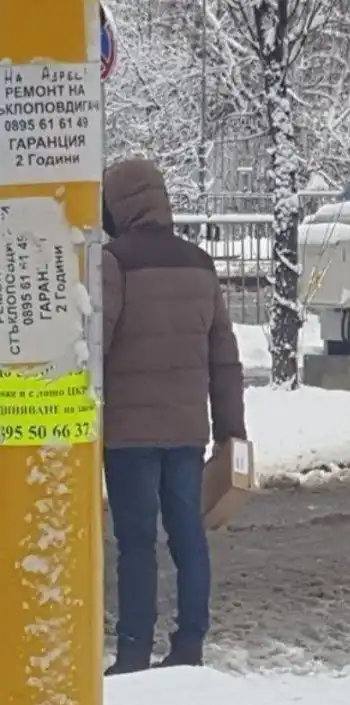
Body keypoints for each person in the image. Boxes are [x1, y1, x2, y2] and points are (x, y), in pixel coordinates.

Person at [102, 158, 246, 675]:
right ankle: (190, 645)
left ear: (119, 205)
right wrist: (231, 430)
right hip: (187, 432)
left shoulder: (114, 262)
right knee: (188, 535)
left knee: (136, 543)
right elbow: (224, 356)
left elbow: (96, 344)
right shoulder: (200, 265)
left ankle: (134, 651)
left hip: (128, 436)